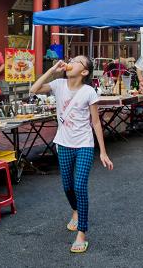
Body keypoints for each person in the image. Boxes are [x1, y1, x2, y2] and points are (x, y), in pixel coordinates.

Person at [30, 55, 113, 253]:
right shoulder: (58, 84)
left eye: (77, 61)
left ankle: (82, 233)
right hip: (63, 143)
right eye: (72, 59)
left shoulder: (89, 92)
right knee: (67, 186)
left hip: (84, 144)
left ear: (84, 72)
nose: (71, 62)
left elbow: (95, 122)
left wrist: (103, 151)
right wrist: (52, 70)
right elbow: (33, 90)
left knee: (79, 186)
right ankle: (75, 211)